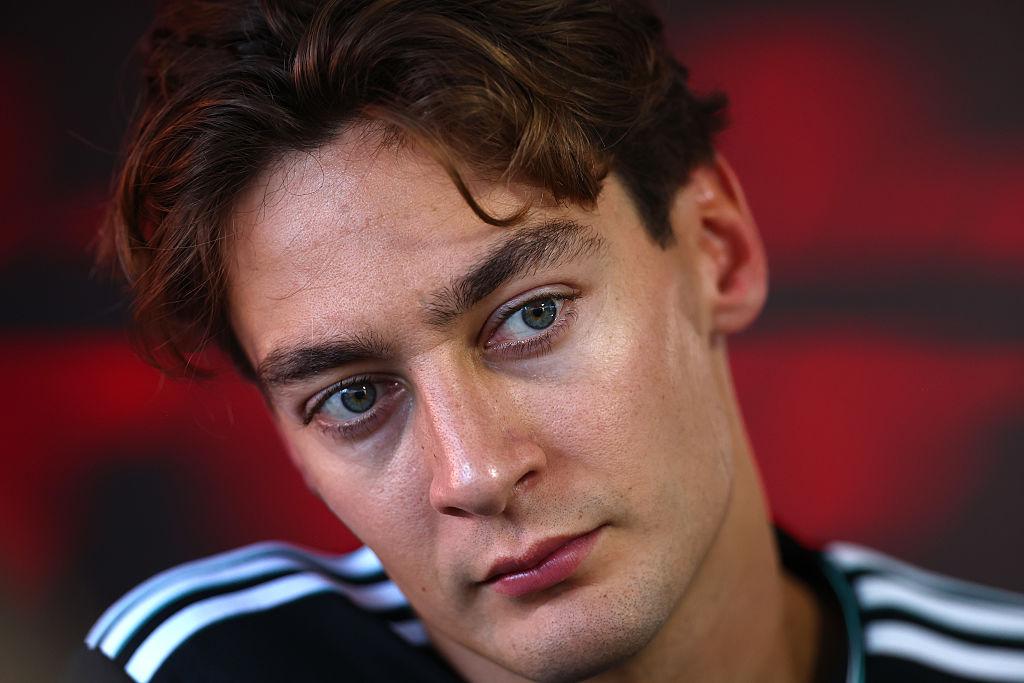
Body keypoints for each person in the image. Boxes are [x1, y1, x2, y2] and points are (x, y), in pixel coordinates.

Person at [70, 1, 1024, 681]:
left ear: (718, 253)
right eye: (354, 395)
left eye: (532, 315)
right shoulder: (205, 664)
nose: (475, 472)